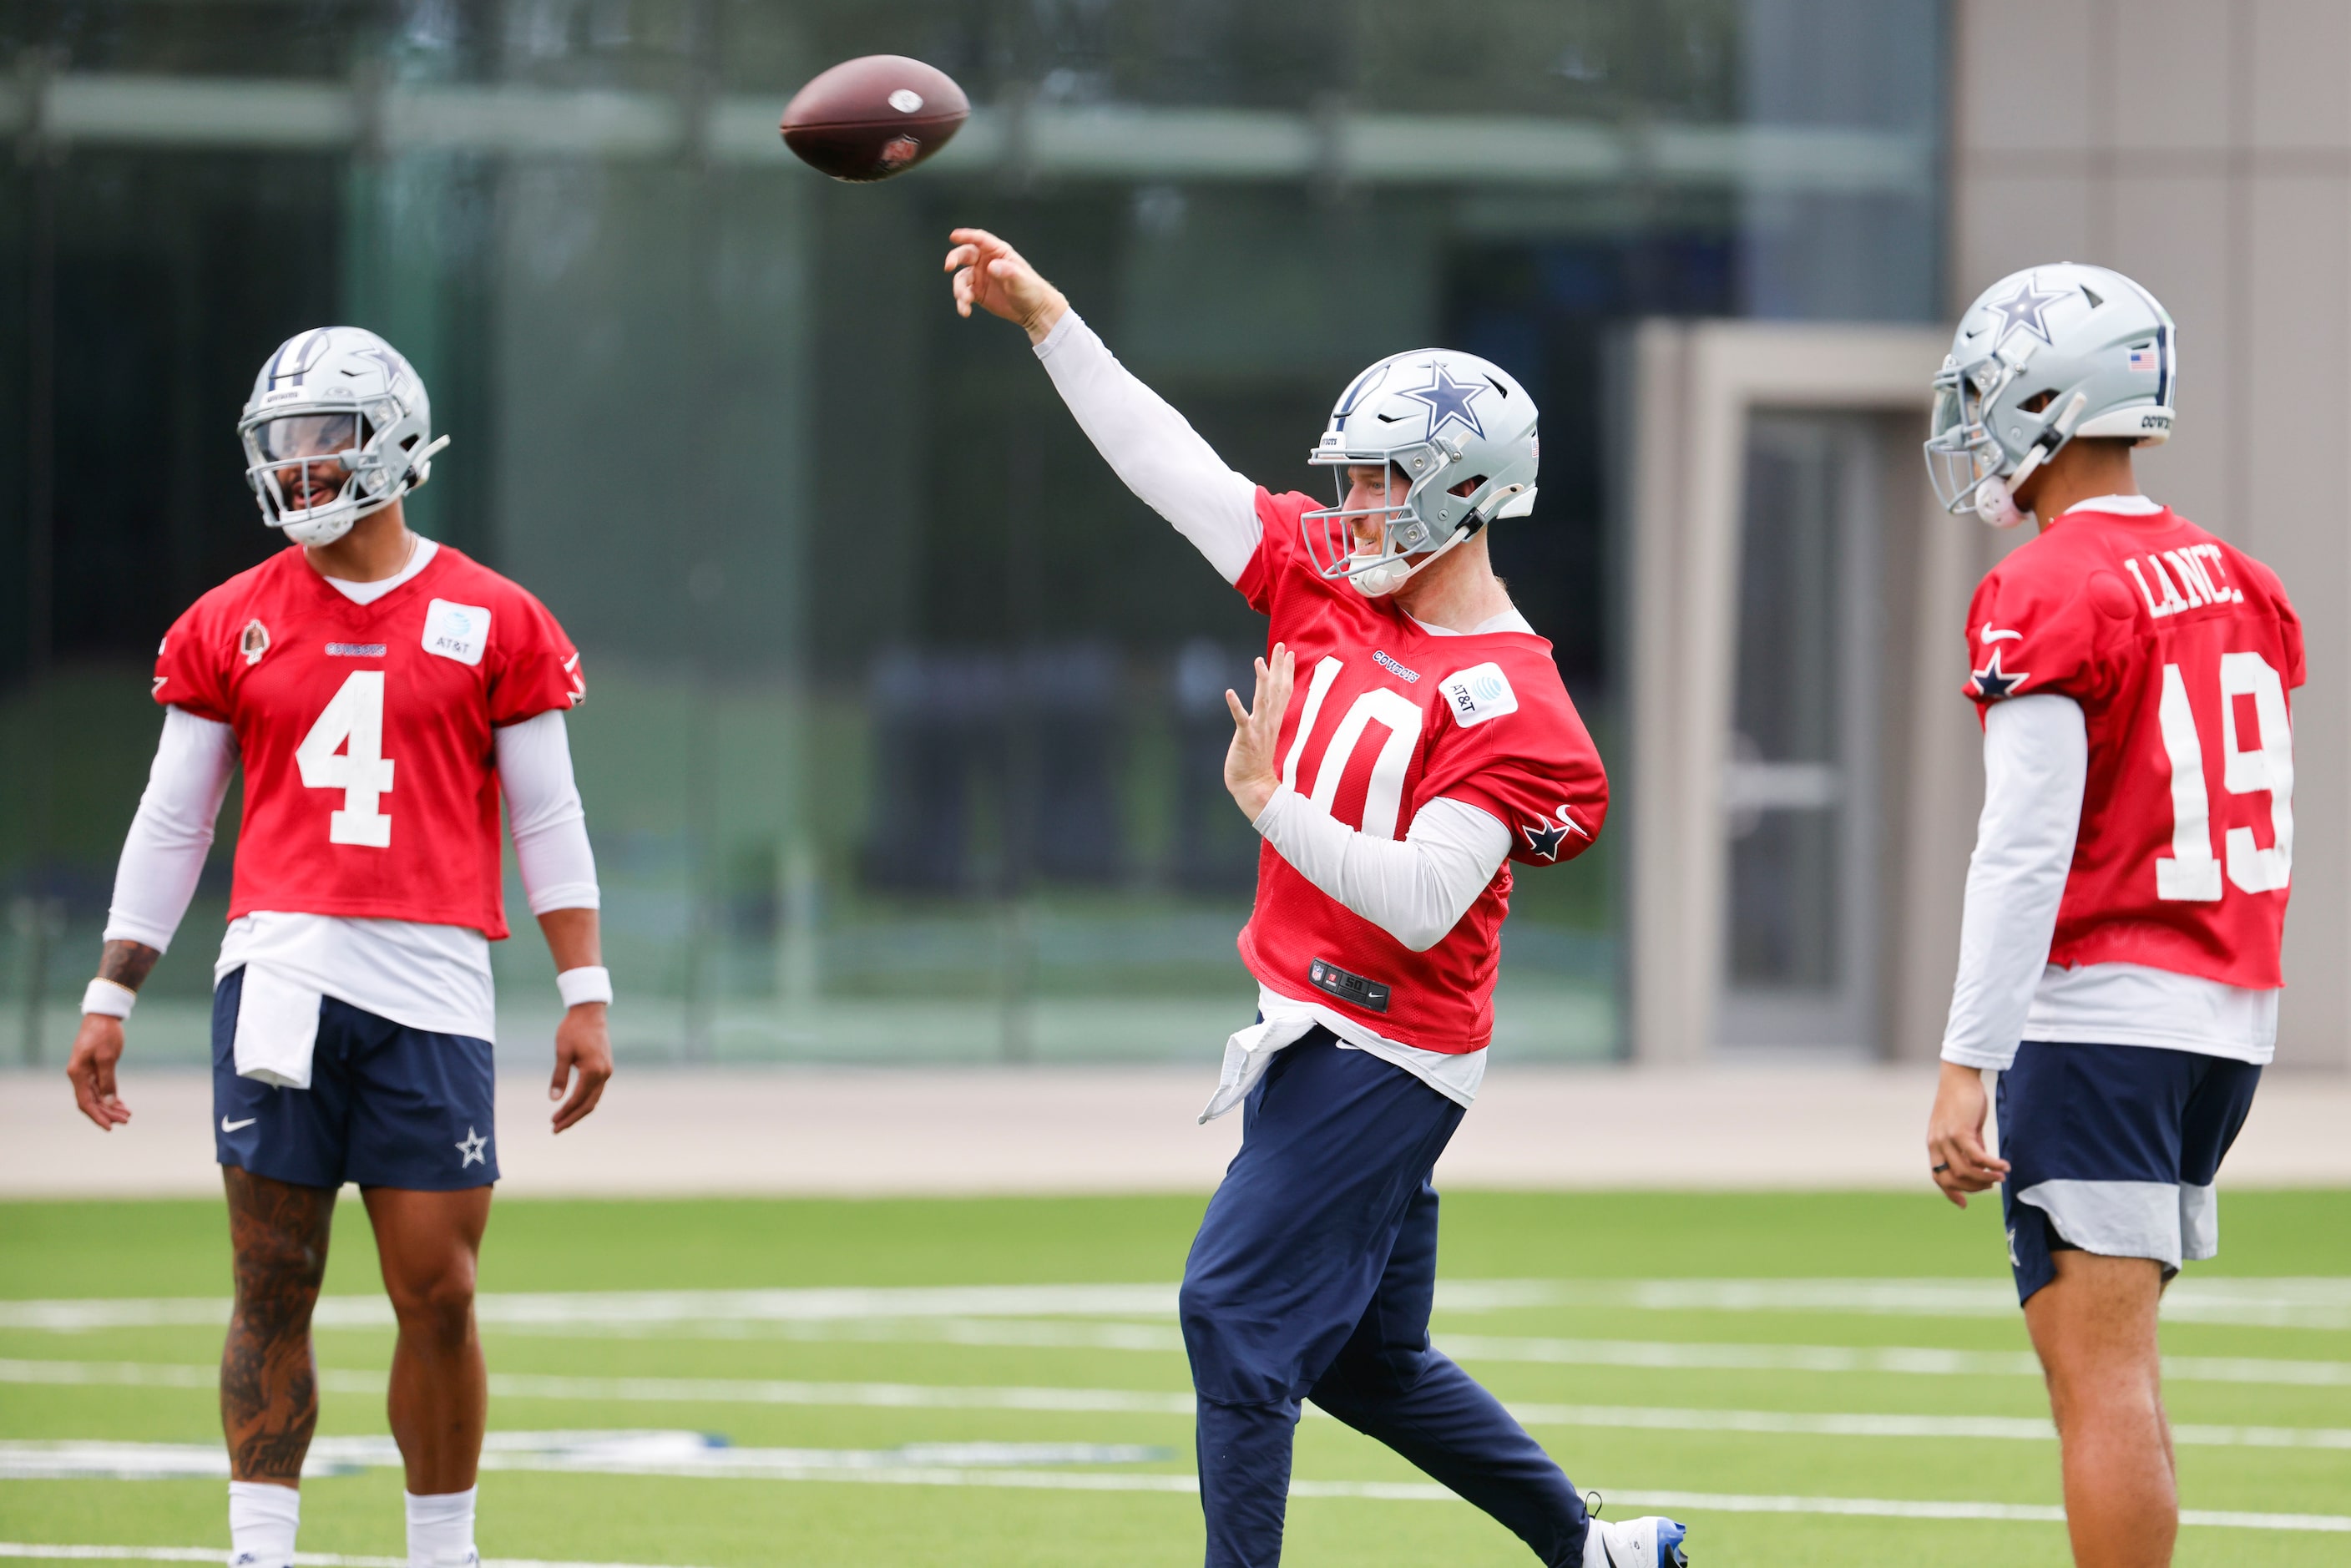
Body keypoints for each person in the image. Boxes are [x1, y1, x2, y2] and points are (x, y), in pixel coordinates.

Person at [945, 229, 1686, 1568]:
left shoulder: (1519, 704)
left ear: (1465, 494)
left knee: (1228, 1308)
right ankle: (1595, 1549)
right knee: (1362, 1359)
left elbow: (1420, 901)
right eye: (1347, 483)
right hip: (1314, 1031)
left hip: (1389, 1049)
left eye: (1381, 484)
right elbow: (1169, 466)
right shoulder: (1326, 581)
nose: (1350, 511)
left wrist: (1271, 801)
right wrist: (1049, 316)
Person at [63, 326, 615, 1568]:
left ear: (398, 446)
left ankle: (443, 1550)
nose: (302, 469)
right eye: (286, 445)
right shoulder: (227, 620)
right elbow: (174, 816)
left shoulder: (496, 617)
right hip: (280, 971)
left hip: (434, 975)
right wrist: (113, 984)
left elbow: (547, 813)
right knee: (272, 1283)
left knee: (442, 1289)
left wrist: (585, 986)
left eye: (326, 441)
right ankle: (262, 1550)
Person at [1923, 266, 2298, 1568]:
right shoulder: (2241, 578)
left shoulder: (2050, 586)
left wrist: (1969, 1057)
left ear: (2044, 398)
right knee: (2121, 1361)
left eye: (1984, 398)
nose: (1973, 429)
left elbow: (2022, 847)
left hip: (2106, 1012)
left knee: (2097, 1375)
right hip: (2223, 1013)